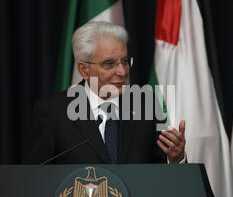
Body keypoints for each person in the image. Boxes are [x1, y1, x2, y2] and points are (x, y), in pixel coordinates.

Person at [23, 21, 186, 165]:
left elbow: (159, 172)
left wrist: (175, 159)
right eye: (109, 64)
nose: (122, 72)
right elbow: (35, 179)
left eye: (125, 61)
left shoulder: (145, 106)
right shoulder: (53, 112)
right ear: (84, 70)